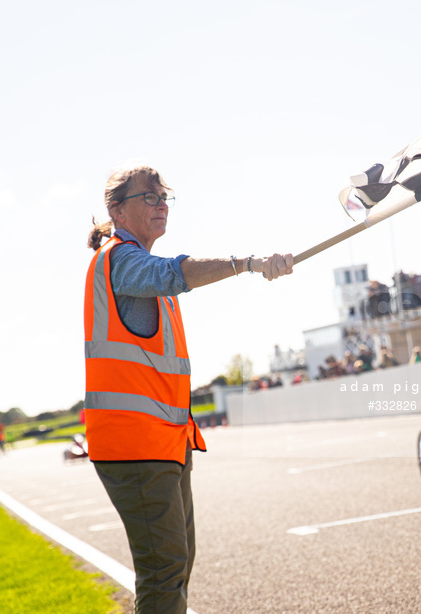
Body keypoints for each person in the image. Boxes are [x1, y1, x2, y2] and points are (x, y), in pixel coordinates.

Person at [84, 165, 293, 613]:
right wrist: (249, 263)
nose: (161, 206)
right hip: (136, 444)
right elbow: (171, 273)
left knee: (175, 567)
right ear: (117, 210)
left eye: (165, 198)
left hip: (162, 441)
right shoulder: (122, 259)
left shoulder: (130, 260)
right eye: (150, 198)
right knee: (164, 572)